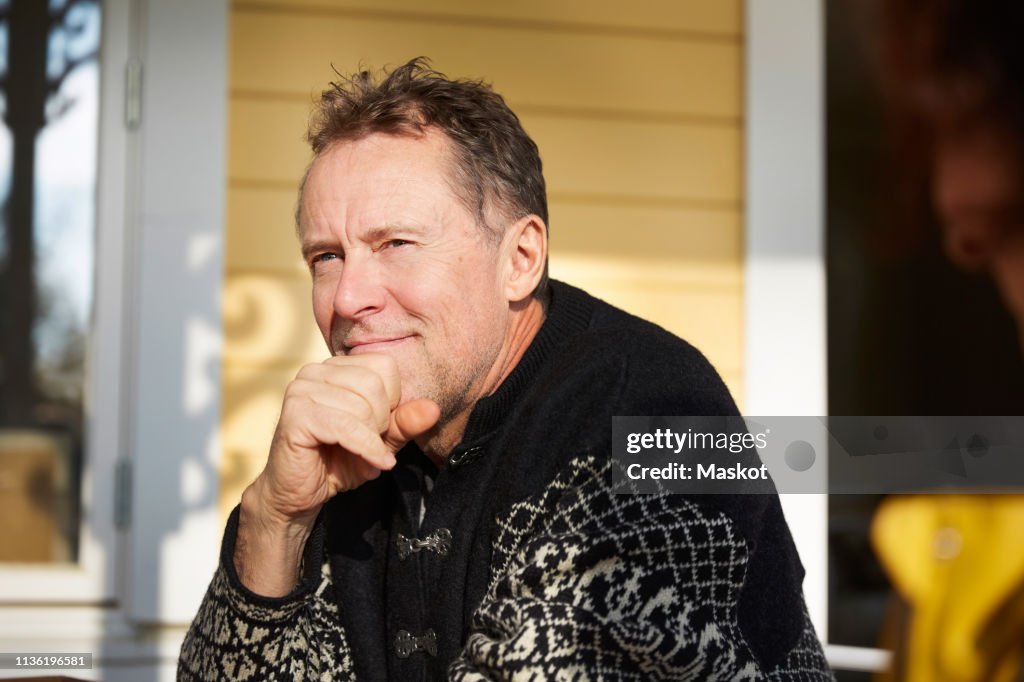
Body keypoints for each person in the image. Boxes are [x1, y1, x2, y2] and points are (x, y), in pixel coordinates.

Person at [178, 58, 832, 680]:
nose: (348, 298)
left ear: (520, 258)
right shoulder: (339, 448)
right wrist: (274, 518)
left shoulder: (658, 408)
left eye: (396, 244)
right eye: (326, 257)